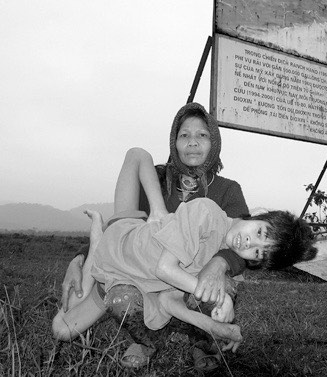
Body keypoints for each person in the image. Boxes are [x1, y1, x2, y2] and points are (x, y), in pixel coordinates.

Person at [51, 147, 318, 356]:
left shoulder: (218, 256)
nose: (249, 245)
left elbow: (168, 302)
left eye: (259, 253)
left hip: (123, 277)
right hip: (120, 240)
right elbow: (165, 269)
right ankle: (98, 233)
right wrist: (222, 298)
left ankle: (97, 253)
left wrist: (214, 327)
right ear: (259, 214)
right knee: (93, 264)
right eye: (260, 233)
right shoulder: (206, 211)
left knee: (61, 329)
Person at [60, 102, 250, 369]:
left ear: (214, 141)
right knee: (121, 298)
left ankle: (204, 343)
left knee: (218, 286)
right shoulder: (157, 181)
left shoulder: (228, 190)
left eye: (202, 135)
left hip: (192, 277)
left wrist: (219, 265)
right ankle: (148, 339)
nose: (192, 143)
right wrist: (80, 259)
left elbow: (244, 243)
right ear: (174, 141)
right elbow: (123, 234)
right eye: (184, 135)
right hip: (149, 278)